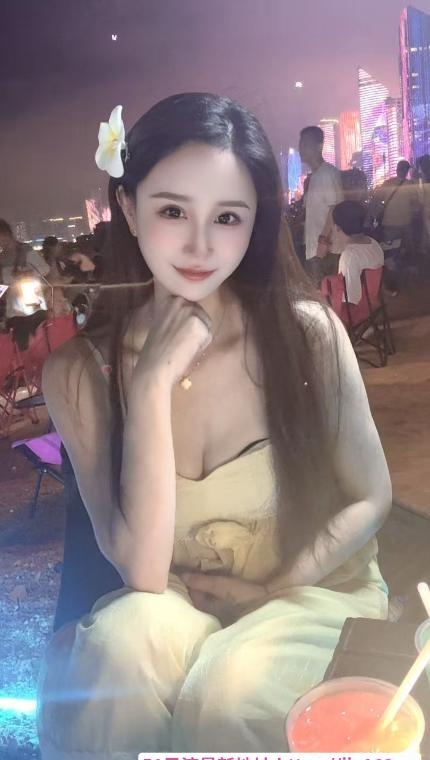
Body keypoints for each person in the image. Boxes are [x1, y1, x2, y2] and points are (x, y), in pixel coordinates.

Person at [37, 93, 391, 757]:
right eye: (173, 210)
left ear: (255, 224)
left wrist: (274, 586)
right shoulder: (81, 373)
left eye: (227, 217)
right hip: (173, 599)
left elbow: (371, 496)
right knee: (118, 656)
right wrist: (150, 385)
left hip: (308, 588)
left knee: (227, 693)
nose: (200, 245)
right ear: (129, 210)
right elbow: (144, 573)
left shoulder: (304, 335)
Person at [299, 126, 343, 284]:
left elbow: (335, 208)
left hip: (325, 250)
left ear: (319, 146)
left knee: (325, 292)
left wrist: (323, 241)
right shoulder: (315, 176)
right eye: (300, 144)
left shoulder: (326, 173)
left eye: (305, 144)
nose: (301, 149)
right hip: (315, 248)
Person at [333, 201, 384, 305]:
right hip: (372, 304)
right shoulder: (374, 243)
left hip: (356, 310)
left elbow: (350, 299)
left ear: (337, 227)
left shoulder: (349, 256)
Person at [375, 160, 419, 244]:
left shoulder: (387, 183)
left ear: (397, 170)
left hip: (389, 223)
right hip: (406, 222)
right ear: (407, 171)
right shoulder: (410, 184)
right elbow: (416, 205)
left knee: (390, 248)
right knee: (406, 248)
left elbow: (376, 199)